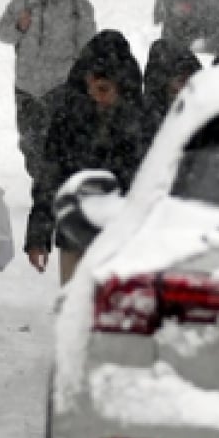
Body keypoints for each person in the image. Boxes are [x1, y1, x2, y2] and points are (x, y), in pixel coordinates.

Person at [25, 30, 145, 285]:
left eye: (103, 88)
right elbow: (50, 178)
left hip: (125, 239)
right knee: (76, 303)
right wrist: (38, 235)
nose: (95, 95)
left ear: (121, 85)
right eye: (90, 86)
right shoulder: (68, 118)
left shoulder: (141, 123)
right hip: (75, 234)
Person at [0, 0, 97, 182]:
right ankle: (40, 178)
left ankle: (51, 183)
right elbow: (1, 33)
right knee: (29, 142)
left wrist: (83, 80)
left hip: (60, 86)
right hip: (27, 87)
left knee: (58, 141)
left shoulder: (78, 7)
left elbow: (88, 47)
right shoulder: (22, 2)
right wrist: (19, 27)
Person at [141, 37, 201, 146]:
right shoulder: (144, 125)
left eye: (191, 78)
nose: (186, 86)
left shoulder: (201, 114)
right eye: (181, 80)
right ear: (163, 83)